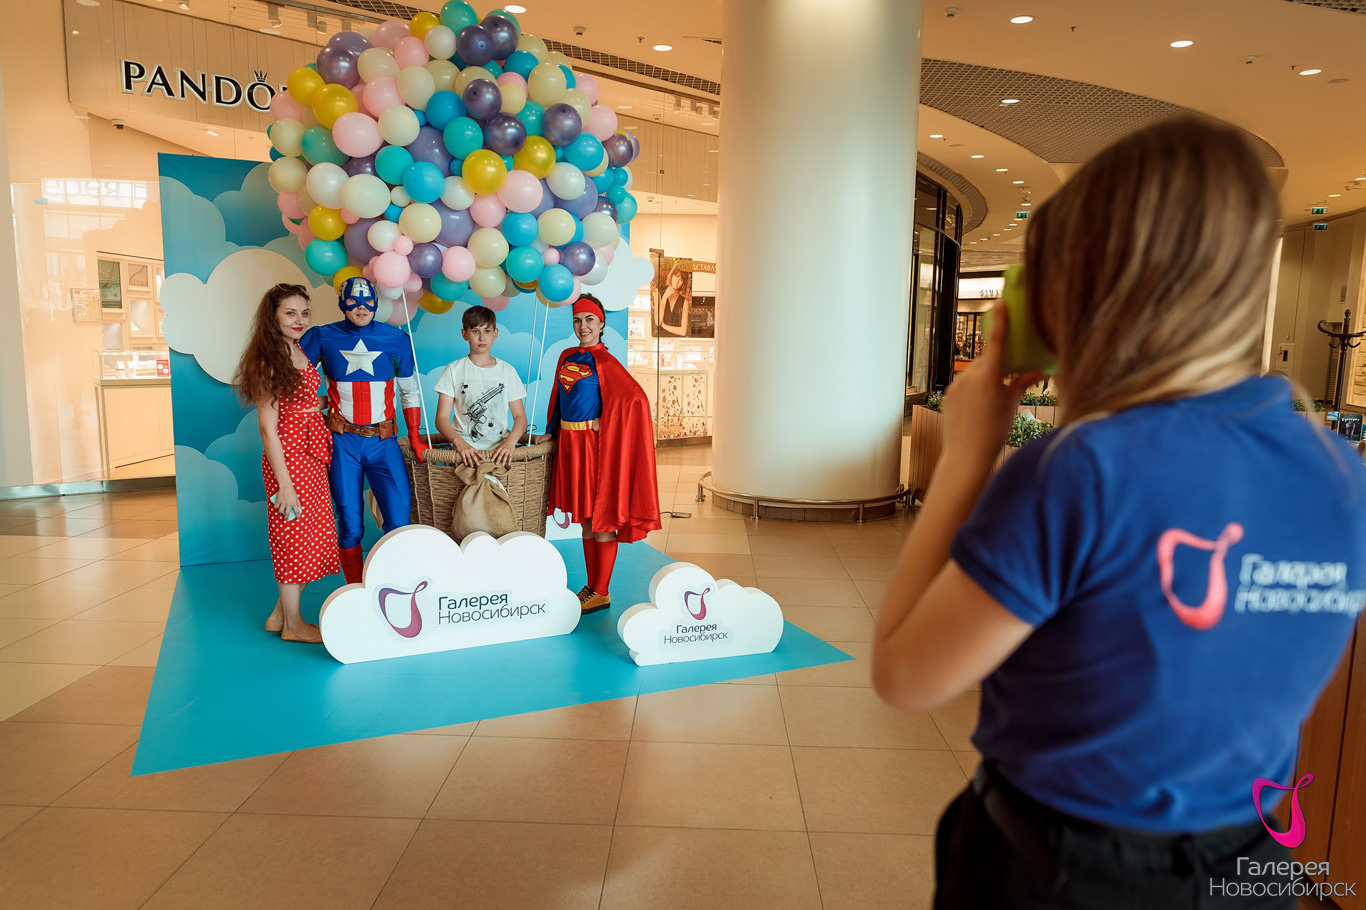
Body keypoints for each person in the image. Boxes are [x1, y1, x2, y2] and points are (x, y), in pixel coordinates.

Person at [872, 117, 1365, 910]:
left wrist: (966, 457)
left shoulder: (1079, 471)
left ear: (1072, 292)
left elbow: (906, 675)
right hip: (1253, 866)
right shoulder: (1342, 474)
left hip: (1061, 870)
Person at [534, 294, 661, 613]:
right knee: (587, 522)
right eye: (577, 320)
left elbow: (636, 402)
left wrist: (605, 423)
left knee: (601, 520)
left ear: (602, 323)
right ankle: (592, 587)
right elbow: (558, 399)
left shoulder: (606, 363)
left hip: (594, 452)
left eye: (589, 319)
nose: (583, 326)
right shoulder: (566, 356)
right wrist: (551, 430)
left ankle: (602, 590)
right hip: (570, 448)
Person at [299, 276, 428, 584]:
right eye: (353, 301)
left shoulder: (396, 338)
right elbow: (295, 383)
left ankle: (397, 585)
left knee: (399, 517)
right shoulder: (321, 337)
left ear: (376, 303)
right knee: (349, 521)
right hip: (342, 442)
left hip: (383, 441)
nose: (361, 307)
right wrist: (313, 410)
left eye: (367, 300)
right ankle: (355, 590)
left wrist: (414, 437)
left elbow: (409, 391)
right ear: (342, 303)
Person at [231, 283, 338, 644]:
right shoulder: (268, 361)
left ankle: (279, 616)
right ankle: (293, 624)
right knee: (292, 538)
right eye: (290, 313)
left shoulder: (295, 348)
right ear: (273, 316)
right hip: (289, 461)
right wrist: (285, 485)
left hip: (310, 457)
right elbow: (267, 426)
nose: (299, 320)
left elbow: (298, 401)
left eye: (304, 313)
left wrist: (323, 405)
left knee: (313, 536)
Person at [434, 305, 528, 467]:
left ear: (495, 334)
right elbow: (441, 419)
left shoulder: (507, 371)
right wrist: (460, 444)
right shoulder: (453, 370)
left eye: (487, 331)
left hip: (500, 452)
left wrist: (510, 442)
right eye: (475, 331)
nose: (482, 337)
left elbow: (520, 417)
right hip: (464, 454)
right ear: (465, 334)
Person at [655, 264, 691, 337]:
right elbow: (657, 322)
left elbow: (683, 332)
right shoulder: (658, 295)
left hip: (677, 341)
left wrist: (664, 325)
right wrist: (664, 297)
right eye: (676, 276)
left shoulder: (684, 302)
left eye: (681, 280)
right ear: (672, 275)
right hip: (662, 341)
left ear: (683, 284)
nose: (677, 282)